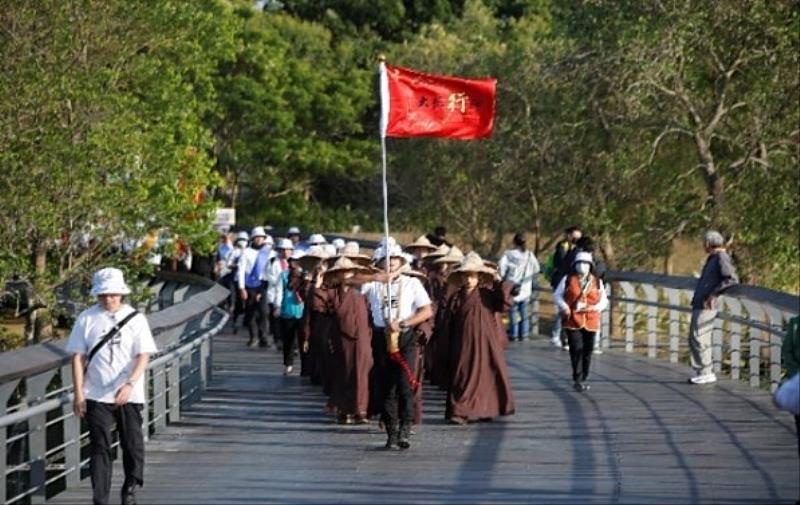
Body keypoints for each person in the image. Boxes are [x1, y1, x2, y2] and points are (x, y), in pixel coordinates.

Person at [66, 268, 157, 505]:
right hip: (95, 391)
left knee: (132, 443)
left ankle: (131, 485)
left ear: (121, 294)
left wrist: (130, 383)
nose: (109, 299)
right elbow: (77, 357)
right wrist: (78, 393)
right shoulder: (86, 318)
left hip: (128, 391)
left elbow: (143, 355)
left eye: (113, 294)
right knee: (100, 446)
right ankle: (100, 497)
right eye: (104, 294)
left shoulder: (136, 318)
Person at [361, 242, 433, 449]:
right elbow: (346, 281)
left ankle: (405, 428)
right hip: (381, 336)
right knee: (385, 387)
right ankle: (391, 431)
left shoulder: (412, 283)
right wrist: (374, 277)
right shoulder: (373, 284)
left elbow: (426, 310)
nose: (391, 263)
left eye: (394, 259)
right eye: (387, 259)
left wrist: (403, 323)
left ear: (400, 261)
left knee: (404, 383)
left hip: (405, 337)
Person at [443, 252, 515, 424]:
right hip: (462, 342)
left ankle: (486, 408)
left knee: (486, 375)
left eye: (472, 276)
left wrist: (498, 282)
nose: (469, 280)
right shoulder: (456, 297)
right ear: (460, 277)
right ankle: (459, 410)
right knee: (461, 374)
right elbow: (449, 321)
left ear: (479, 277)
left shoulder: (487, 295)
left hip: (485, 342)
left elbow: (504, 304)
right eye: (465, 276)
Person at [313, 257, 374, 424]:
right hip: (341, 338)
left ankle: (360, 410)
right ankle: (344, 410)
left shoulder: (363, 292)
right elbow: (318, 306)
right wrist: (318, 285)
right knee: (344, 373)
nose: (347, 275)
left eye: (349, 271)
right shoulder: (333, 293)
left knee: (362, 373)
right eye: (342, 272)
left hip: (363, 337)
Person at [687, 230, 739, 385]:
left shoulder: (721, 257)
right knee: (696, 337)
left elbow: (731, 279)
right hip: (700, 303)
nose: (703, 246)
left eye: (704, 243)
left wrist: (713, 294)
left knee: (699, 337)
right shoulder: (713, 258)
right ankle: (703, 371)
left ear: (709, 243)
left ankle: (706, 372)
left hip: (707, 305)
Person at [553, 252, 609, 392]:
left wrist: (593, 308)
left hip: (591, 320)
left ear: (591, 266)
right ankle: (577, 378)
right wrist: (565, 307)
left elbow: (603, 301)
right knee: (576, 348)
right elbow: (557, 295)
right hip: (573, 319)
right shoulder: (567, 279)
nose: (582, 266)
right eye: (579, 263)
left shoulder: (597, 282)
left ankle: (584, 375)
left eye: (585, 263)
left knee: (587, 350)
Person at [498, 233, 541, 342]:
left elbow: (501, 269)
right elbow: (537, 268)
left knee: (513, 311)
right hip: (525, 288)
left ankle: (514, 334)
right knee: (524, 311)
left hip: (512, 286)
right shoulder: (530, 255)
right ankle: (524, 334)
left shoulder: (508, 254)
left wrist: (505, 277)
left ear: (514, 242)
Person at [238, 227, 272, 348]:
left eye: (261, 238)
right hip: (249, 285)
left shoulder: (269, 253)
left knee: (264, 311)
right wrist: (241, 288)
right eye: (256, 237)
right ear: (252, 239)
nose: (259, 240)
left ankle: (264, 337)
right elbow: (241, 270)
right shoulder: (246, 252)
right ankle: (253, 337)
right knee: (250, 311)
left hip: (263, 284)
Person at [549, 226, 582, 348]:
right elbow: (562, 264)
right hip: (562, 281)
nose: (577, 239)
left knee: (571, 309)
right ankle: (557, 335)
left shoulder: (578, 249)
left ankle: (566, 337)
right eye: (575, 237)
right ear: (568, 236)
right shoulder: (562, 247)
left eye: (579, 237)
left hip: (573, 282)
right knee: (562, 309)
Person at [274, 258, 306, 375]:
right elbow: (278, 291)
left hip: (302, 312)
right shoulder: (283, 275)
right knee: (288, 340)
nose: (294, 265)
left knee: (304, 340)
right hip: (287, 310)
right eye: (292, 262)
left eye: (296, 262)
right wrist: (277, 306)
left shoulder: (304, 276)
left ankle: (306, 364)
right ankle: (288, 364)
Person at [267, 238, 295, 349]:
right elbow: (268, 277)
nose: (285, 252)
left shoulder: (295, 262)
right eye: (283, 250)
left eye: (288, 250)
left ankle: (289, 341)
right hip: (275, 292)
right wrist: (280, 280)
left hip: (290, 295)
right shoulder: (272, 261)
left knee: (289, 319)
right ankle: (278, 339)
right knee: (277, 318)